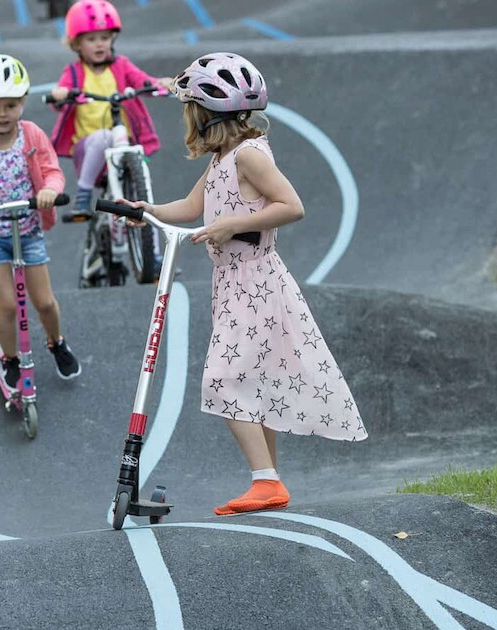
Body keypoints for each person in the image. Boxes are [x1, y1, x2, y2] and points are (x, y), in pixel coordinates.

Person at [123, 53, 368, 515]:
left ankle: (266, 481)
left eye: (188, 107)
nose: (185, 117)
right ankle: (268, 480)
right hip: (234, 283)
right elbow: (191, 206)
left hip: (256, 280)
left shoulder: (250, 156)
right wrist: (146, 211)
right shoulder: (222, 159)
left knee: (223, 377)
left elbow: (291, 206)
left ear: (203, 112)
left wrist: (230, 225)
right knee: (255, 379)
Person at [0, 54, 82, 389]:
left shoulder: (33, 135)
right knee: (7, 304)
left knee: (45, 302)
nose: (2, 114)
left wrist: (51, 190)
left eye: (9, 105)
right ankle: (9, 357)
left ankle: (56, 341)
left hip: (28, 229)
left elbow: (52, 172)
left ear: (22, 102)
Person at [47, 0, 171, 220]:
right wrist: (61, 95)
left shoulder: (121, 65)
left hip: (122, 144)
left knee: (143, 184)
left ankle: (149, 249)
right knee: (104, 136)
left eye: (104, 38)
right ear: (76, 44)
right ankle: (83, 193)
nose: (99, 44)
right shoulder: (74, 72)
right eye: (91, 39)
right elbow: (60, 97)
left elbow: (143, 82)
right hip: (87, 149)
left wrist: (161, 83)